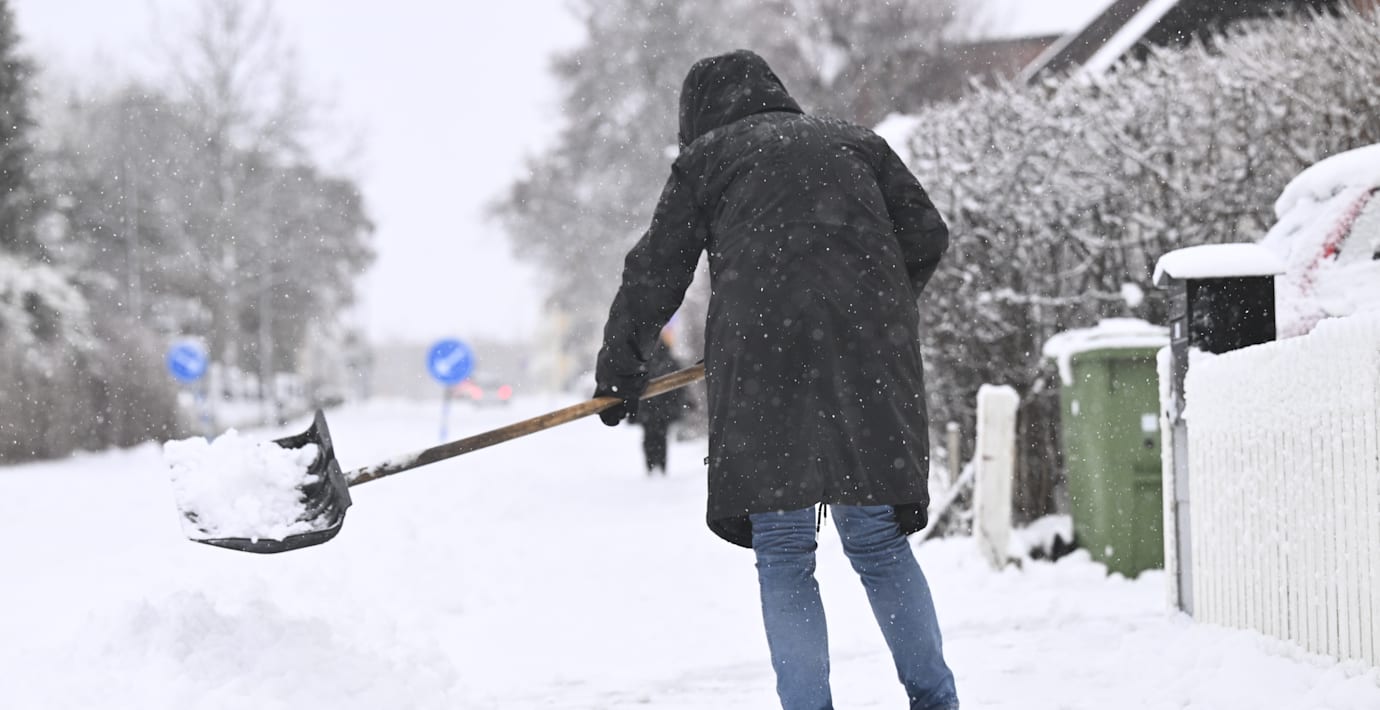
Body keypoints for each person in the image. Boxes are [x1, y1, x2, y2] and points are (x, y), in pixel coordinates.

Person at [593, 50, 957, 710]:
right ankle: (936, 701)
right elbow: (926, 235)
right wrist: (873, 310)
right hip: (868, 363)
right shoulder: (857, 144)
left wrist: (620, 371)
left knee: (786, 552)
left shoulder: (707, 161)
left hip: (762, 363)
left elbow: (654, 275)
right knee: (877, 543)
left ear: (697, 114)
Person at [627, 332, 688, 475]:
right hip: (662, 408)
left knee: (650, 437)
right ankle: (661, 464)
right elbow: (679, 387)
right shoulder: (669, 360)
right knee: (661, 437)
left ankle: (651, 465)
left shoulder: (644, 360)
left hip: (648, 409)